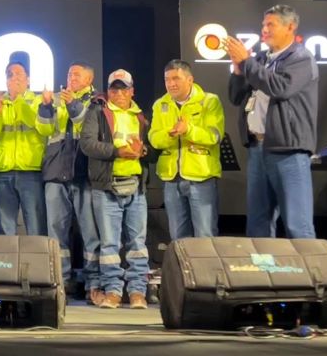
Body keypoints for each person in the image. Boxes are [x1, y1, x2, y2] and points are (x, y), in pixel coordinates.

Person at [225, 4, 319, 239]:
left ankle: (312, 275)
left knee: (298, 223)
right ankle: (265, 274)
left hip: (288, 150)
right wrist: (238, 70)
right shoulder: (260, 60)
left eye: (270, 24)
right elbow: (236, 97)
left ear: (290, 27)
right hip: (258, 148)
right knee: (258, 223)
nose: (264, 29)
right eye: (263, 25)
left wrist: (247, 63)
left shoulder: (301, 58)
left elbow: (280, 88)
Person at [80, 69, 151, 310]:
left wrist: (142, 151)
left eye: (123, 89)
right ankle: (112, 290)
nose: (118, 93)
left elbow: (149, 147)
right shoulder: (97, 111)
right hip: (106, 186)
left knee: (137, 243)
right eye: (113, 89)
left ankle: (138, 292)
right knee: (109, 244)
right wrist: (118, 151)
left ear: (132, 91)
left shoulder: (140, 115)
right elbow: (87, 144)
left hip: (135, 186)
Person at [38, 62, 100, 303]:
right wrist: (45, 107)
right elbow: (44, 130)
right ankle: (60, 282)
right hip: (55, 172)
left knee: (90, 231)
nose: (71, 78)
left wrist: (72, 103)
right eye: (69, 74)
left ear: (89, 78)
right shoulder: (53, 98)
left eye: (76, 74)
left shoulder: (96, 101)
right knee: (56, 233)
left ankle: (93, 283)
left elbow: (86, 126)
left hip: (82, 174)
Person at [149, 60, 224, 240]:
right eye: (167, 79)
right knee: (178, 236)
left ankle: (207, 269)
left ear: (190, 80)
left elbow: (214, 136)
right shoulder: (160, 104)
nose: (171, 84)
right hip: (171, 179)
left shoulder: (209, 101)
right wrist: (171, 134)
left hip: (201, 177)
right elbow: (153, 138)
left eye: (176, 78)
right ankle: (183, 269)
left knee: (205, 234)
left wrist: (188, 130)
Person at [0, 61, 47, 236]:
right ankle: (5, 263)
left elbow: (38, 125)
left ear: (28, 80)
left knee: (35, 223)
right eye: (10, 75)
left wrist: (18, 100)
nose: (14, 78)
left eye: (19, 74)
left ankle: (37, 262)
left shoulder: (37, 101)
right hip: (3, 171)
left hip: (31, 170)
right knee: (4, 227)